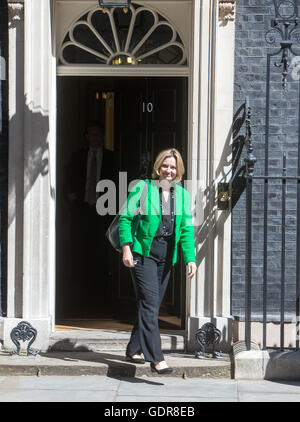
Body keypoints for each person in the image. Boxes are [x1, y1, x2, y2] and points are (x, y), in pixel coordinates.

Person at [119, 148, 197, 374]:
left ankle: (133, 348)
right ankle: (156, 357)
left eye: (173, 167)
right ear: (158, 166)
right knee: (150, 303)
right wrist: (126, 249)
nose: (169, 170)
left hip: (166, 256)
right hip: (143, 253)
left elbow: (186, 230)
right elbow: (125, 218)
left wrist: (189, 258)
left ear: (178, 170)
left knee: (148, 304)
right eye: (165, 165)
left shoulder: (182, 195)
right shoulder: (143, 188)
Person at [66, 121, 114, 315]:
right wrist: (70, 196)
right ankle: (83, 293)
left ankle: (101, 293)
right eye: (91, 134)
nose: (95, 138)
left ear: (103, 137)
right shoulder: (77, 157)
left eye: (98, 134)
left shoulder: (112, 157)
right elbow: (68, 178)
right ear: (86, 137)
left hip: (104, 210)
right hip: (83, 209)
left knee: (102, 250)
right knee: (82, 249)